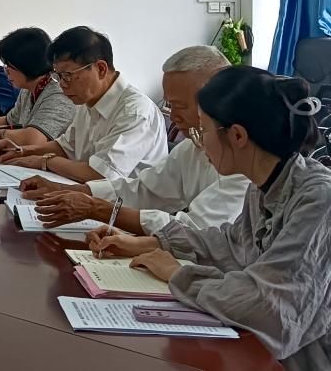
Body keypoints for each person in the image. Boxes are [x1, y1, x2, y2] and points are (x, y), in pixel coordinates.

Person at [87, 66, 331, 370]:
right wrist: (152, 243)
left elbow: (270, 308)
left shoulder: (319, 200)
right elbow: (231, 244)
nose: (198, 141)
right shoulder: (264, 185)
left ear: (237, 135)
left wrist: (177, 273)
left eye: (203, 130)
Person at [22, 46, 249, 233]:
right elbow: (145, 190)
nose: (173, 117)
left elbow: (197, 231)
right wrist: (68, 190)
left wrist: (97, 209)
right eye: (169, 105)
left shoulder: (244, 160)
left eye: (180, 106)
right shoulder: (192, 147)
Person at [0, 26, 166, 182]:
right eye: (58, 76)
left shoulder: (134, 112)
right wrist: (22, 151)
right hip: (88, 195)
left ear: (100, 69)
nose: (62, 84)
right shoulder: (88, 101)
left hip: (123, 203)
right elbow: (65, 147)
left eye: (67, 75)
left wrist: (45, 161)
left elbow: (100, 175)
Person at [0, 27, 75, 146]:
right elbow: (9, 120)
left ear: (26, 65)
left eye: (9, 66)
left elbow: (33, 139)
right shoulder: (28, 89)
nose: (6, 71)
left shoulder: (59, 93)